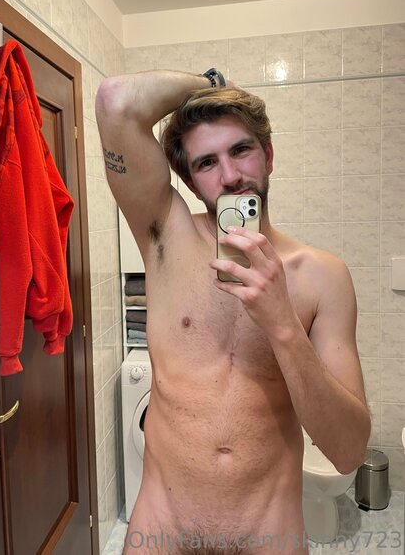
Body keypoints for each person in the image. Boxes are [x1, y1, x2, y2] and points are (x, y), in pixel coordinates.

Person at [95, 69, 371, 555]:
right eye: (207, 162)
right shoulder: (165, 236)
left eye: (241, 150)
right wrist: (210, 83)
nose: (229, 176)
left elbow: (348, 451)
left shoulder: (323, 277)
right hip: (162, 530)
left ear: (268, 155)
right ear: (188, 179)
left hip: (268, 534)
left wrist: (283, 325)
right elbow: (115, 101)